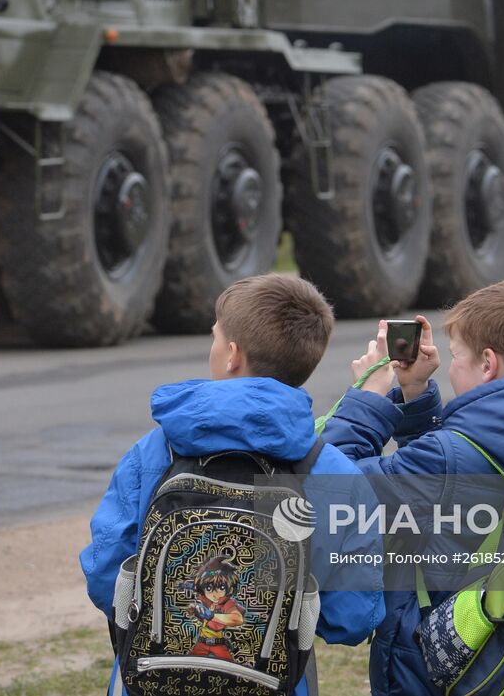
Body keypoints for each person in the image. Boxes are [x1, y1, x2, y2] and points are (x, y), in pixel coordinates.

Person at [80, 274, 385, 696]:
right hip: (271, 681)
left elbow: (104, 576)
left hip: (149, 677)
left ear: (232, 356)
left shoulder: (155, 454)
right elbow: (353, 618)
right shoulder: (333, 473)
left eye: (215, 338)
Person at [320, 277, 504, 696]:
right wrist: (415, 393)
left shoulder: (449, 459)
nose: (448, 366)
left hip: (437, 669)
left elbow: (336, 486)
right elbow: (440, 492)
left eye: (456, 356)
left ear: (488, 364)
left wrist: (368, 399)